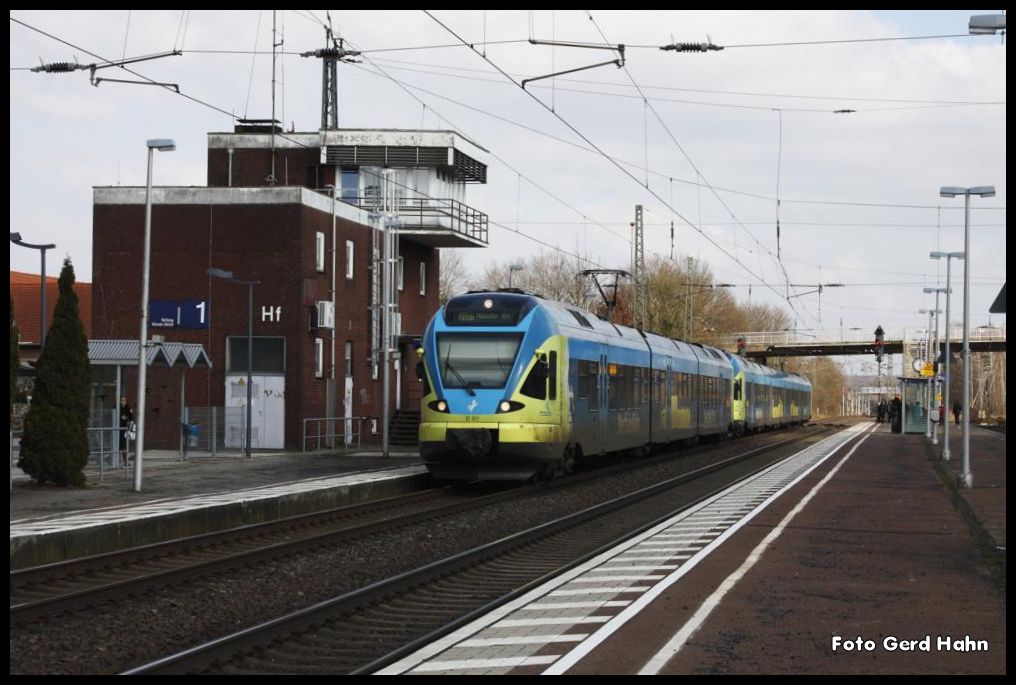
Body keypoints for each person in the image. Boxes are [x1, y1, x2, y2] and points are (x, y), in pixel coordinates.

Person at [119, 396, 134, 467]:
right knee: (120, 445)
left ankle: (125, 461)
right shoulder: (117, 407)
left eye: (124, 400)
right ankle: (122, 460)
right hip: (118, 428)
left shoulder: (128, 407)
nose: (123, 402)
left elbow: (131, 417)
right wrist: (121, 417)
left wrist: (126, 418)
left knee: (123, 445)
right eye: (122, 400)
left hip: (124, 429)